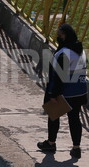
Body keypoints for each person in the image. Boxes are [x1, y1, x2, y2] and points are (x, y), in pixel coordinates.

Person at [38, 23, 88, 158]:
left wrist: (53, 94)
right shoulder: (80, 50)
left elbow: (59, 76)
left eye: (60, 35)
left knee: (53, 116)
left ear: (65, 36)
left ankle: (51, 143)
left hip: (65, 92)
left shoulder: (64, 54)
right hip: (79, 91)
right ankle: (76, 148)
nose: (58, 37)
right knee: (74, 118)